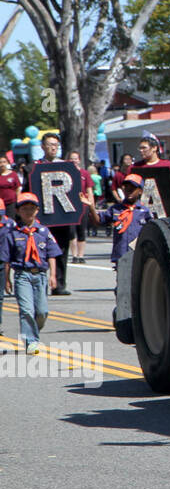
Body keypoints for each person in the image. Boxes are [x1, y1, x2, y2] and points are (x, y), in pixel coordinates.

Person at [4, 192, 62, 354]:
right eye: (24, 209)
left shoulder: (43, 232)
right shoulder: (13, 234)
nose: (28, 212)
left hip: (41, 275)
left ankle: (34, 329)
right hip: (22, 275)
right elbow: (7, 259)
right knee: (26, 310)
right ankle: (31, 341)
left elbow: (51, 254)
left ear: (37, 210)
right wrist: (7, 279)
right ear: (18, 211)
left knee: (42, 311)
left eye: (31, 209)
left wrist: (53, 275)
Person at [30, 133, 73, 296]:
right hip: (43, 216)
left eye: (56, 144)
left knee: (61, 250)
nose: (53, 147)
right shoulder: (34, 167)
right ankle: (40, 283)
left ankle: (59, 284)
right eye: (49, 144)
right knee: (40, 251)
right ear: (42, 147)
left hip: (62, 216)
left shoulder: (66, 166)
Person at [86, 173, 154, 269]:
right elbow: (98, 221)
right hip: (121, 253)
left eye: (133, 188)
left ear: (140, 191)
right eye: (126, 188)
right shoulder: (116, 209)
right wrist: (91, 207)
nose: (129, 191)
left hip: (139, 254)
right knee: (123, 281)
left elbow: (151, 232)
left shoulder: (145, 212)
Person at [133, 133, 170, 214]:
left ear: (154, 148)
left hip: (165, 208)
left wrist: (163, 190)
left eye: (144, 148)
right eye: (140, 148)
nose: (141, 151)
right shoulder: (135, 167)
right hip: (142, 209)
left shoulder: (168, 165)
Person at [65, 150, 95, 264]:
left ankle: (81, 255)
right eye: (71, 159)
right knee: (71, 232)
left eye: (75, 158)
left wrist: (91, 204)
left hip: (83, 205)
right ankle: (74, 255)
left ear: (79, 160)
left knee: (81, 231)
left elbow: (89, 189)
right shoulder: (65, 173)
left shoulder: (84, 173)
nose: (74, 161)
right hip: (69, 206)